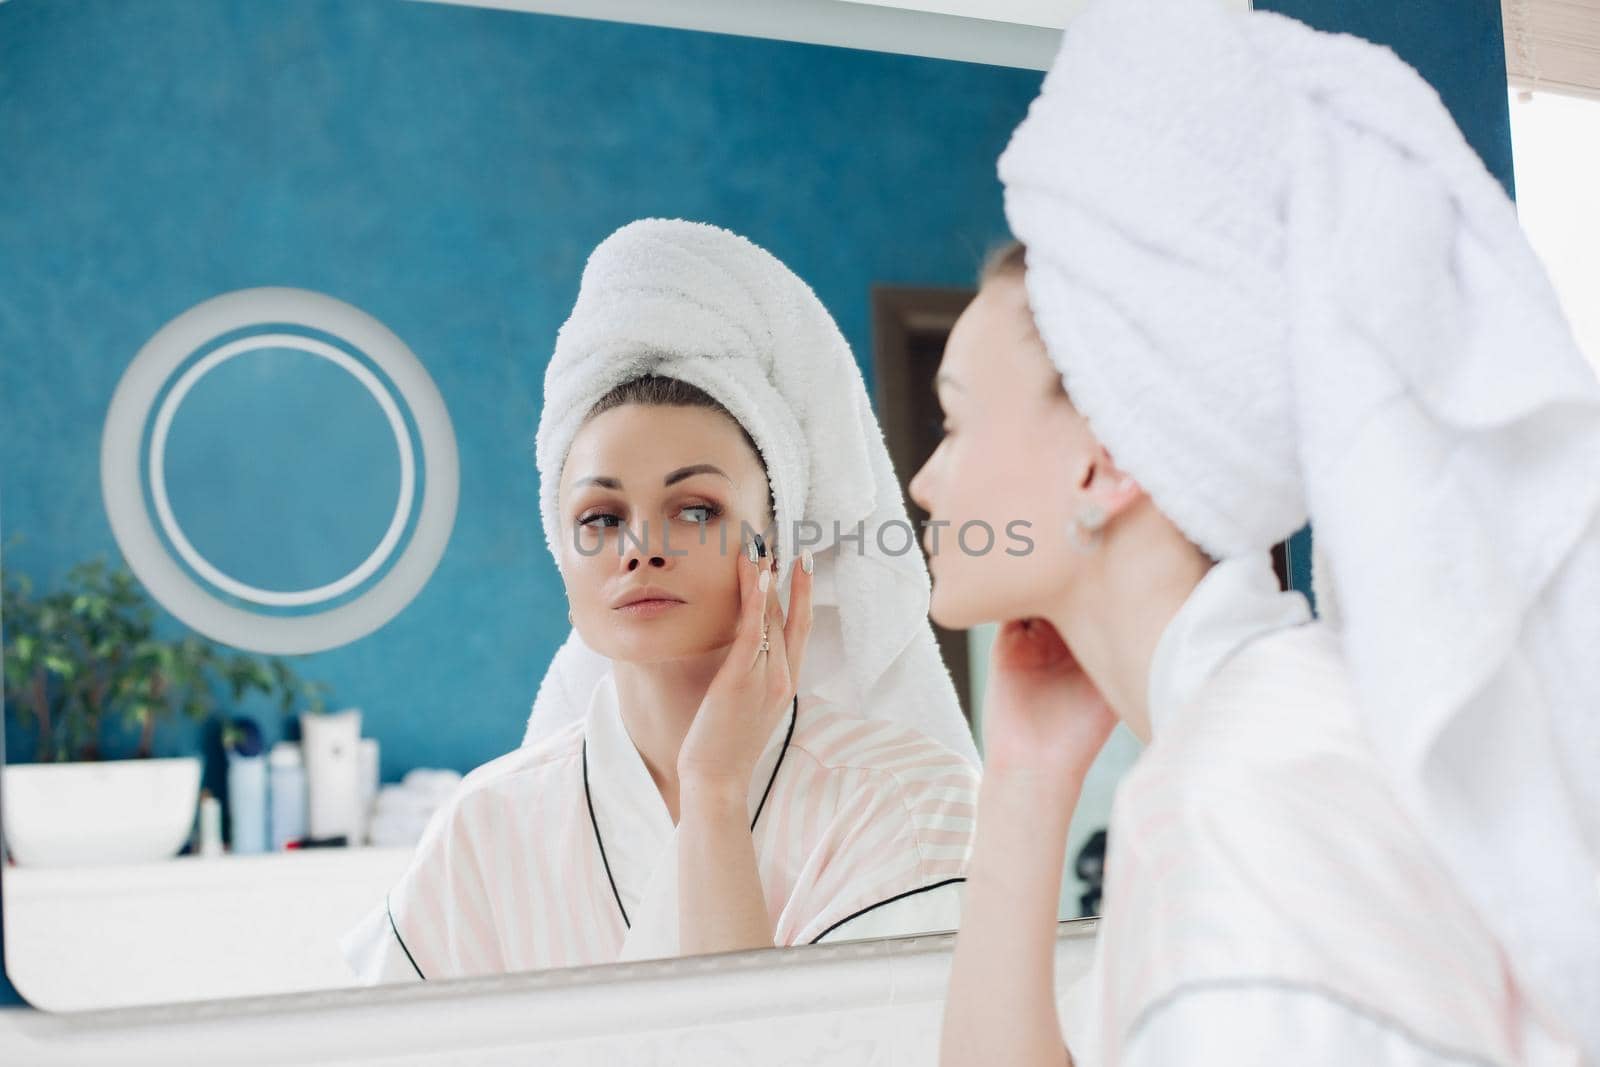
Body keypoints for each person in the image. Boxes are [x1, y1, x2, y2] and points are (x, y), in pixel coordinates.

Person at [919, 1, 1600, 1064]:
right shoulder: (1244, 752)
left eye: (954, 420)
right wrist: (1022, 778)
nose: (923, 479)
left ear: (1104, 467)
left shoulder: (1242, 807)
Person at [341, 219, 980, 982]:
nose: (640, 546)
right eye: (601, 518)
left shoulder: (911, 802)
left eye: (697, 508)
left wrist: (713, 790)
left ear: (775, 545)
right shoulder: (483, 828)